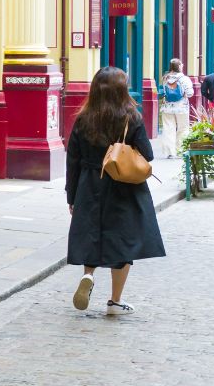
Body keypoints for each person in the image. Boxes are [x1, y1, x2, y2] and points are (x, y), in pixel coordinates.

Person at [66, 66, 166, 316]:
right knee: (122, 241)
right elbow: (148, 154)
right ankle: (114, 302)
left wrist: (72, 197)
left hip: (89, 184)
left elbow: (73, 161)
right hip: (123, 186)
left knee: (92, 233)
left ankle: (88, 276)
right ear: (122, 89)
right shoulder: (131, 117)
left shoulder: (83, 118)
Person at [155, 58, 192, 159]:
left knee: (168, 128)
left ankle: (170, 152)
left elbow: (164, 91)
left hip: (167, 107)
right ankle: (181, 150)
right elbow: (190, 93)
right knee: (183, 128)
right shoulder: (184, 79)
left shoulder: (165, 78)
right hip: (181, 107)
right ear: (179, 66)